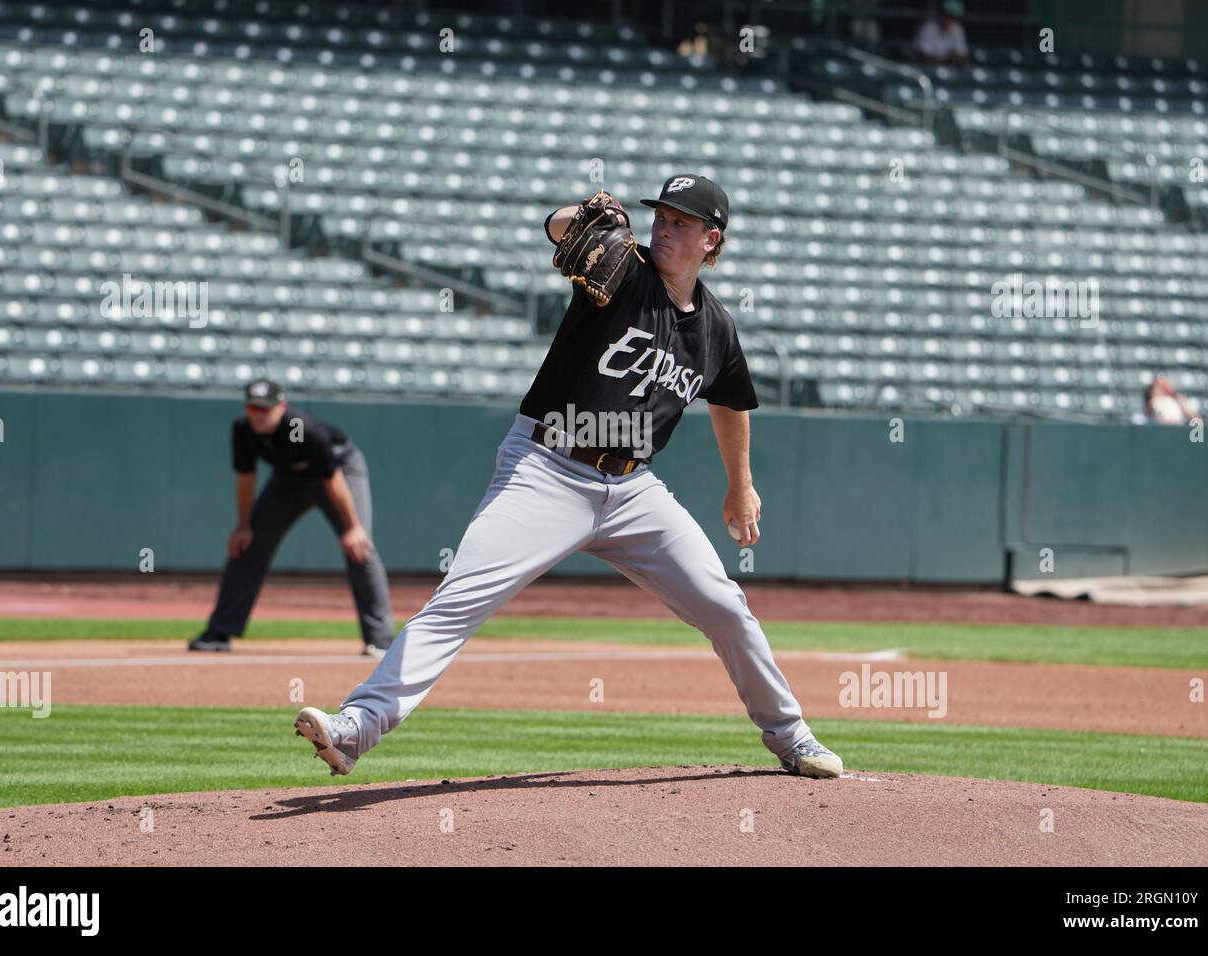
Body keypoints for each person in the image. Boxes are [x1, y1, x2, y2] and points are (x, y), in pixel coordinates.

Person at [293, 175, 844, 782]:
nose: (663, 226)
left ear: (711, 240)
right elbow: (559, 231)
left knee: (725, 606)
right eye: (660, 215)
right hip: (546, 469)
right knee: (460, 599)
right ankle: (357, 725)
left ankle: (793, 737)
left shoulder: (715, 328)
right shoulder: (625, 273)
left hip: (634, 491)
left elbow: (732, 400)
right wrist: (578, 212)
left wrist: (741, 484)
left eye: (681, 222)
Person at [189, 379, 396, 655]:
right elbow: (246, 478)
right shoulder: (243, 429)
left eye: (265, 408)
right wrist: (244, 525)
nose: (259, 414)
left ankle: (381, 640)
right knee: (247, 545)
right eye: (253, 408)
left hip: (339, 472)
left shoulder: (304, 429)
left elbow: (332, 479)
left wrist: (353, 527)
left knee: (360, 549)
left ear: (281, 406)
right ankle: (219, 632)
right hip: (288, 479)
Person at [913, 0, 969, 67]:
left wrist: (955, 58)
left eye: (953, 17)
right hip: (926, 68)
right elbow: (923, 55)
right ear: (942, 14)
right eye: (948, 16)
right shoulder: (928, 27)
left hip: (947, 68)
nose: (949, 19)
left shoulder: (957, 29)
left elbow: (961, 55)